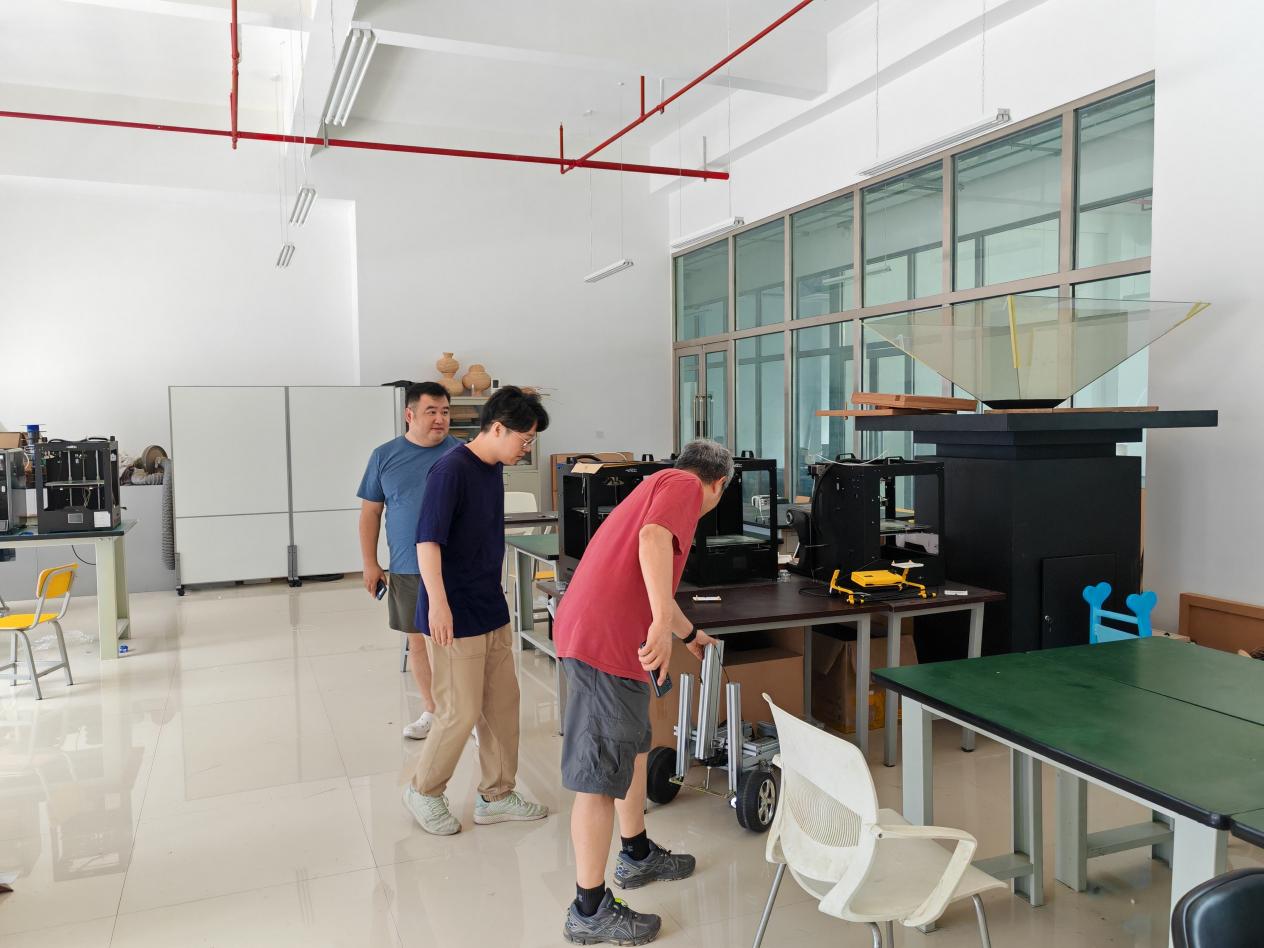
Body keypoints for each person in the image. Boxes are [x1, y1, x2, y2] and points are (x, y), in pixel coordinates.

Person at [552, 439, 731, 945]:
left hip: (612, 639)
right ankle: (589, 911)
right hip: (604, 644)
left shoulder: (657, 484)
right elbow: (652, 540)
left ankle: (636, 854)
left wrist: (688, 635)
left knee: (631, 749)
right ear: (718, 483)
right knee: (598, 777)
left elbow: (648, 578)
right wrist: (658, 623)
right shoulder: (684, 486)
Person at [401, 385, 551, 836]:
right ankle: (423, 790)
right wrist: (439, 605)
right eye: (524, 439)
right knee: (459, 710)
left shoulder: (492, 468)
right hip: (454, 610)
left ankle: (497, 795)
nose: (527, 449)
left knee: (502, 705)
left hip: (489, 605)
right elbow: (427, 541)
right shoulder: (451, 471)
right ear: (498, 428)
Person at [357, 381, 460, 740]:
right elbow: (370, 512)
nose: (440, 419)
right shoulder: (384, 456)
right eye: (431, 411)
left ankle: (464, 714)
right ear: (409, 415)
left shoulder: (461, 454)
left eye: (445, 412)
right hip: (406, 566)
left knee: (459, 643)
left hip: (455, 567)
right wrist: (370, 563)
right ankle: (433, 710)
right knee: (417, 640)